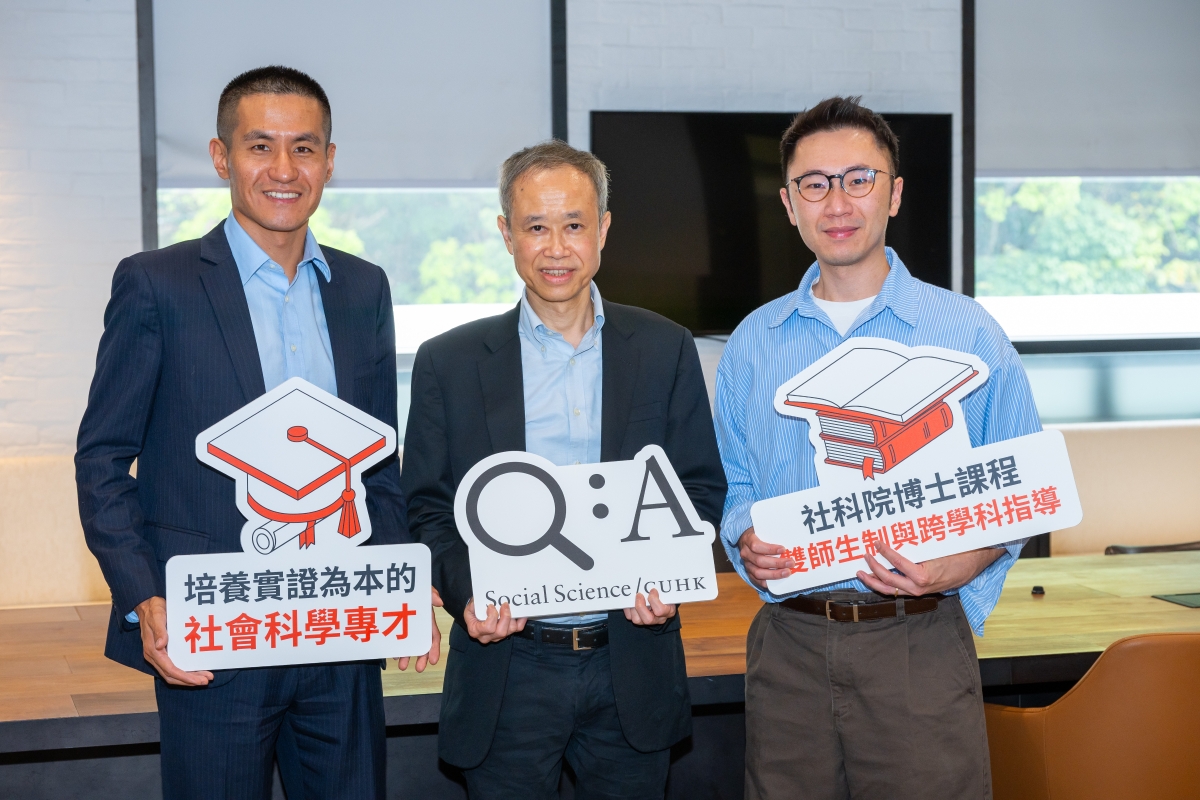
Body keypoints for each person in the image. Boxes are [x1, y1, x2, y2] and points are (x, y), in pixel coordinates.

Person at [76, 66, 439, 800]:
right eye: (259, 146)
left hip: (341, 625)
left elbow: (377, 460)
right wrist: (145, 597)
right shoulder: (157, 284)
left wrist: (404, 581)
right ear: (221, 157)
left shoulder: (363, 286)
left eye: (303, 148)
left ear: (329, 161)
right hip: (215, 629)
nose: (283, 169)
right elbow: (102, 460)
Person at [714, 96, 1041, 799]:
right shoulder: (751, 343)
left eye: (858, 179)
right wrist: (744, 537)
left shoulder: (967, 331)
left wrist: (961, 561)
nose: (837, 202)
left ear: (893, 194)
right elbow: (733, 484)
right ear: (788, 204)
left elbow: (1023, 487)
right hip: (790, 646)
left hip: (918, 639)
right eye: (814, 184)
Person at [401, 140, 727, 799]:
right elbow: (427, 507)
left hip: (632, 658)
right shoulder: (449, 363)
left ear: (603, 228)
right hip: (506, 667)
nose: (556, 248)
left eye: (574, 225)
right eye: (536, 227)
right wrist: (469, 594)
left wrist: (668, 568)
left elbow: (698, 486)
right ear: (506, 234)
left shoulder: (663, 348)